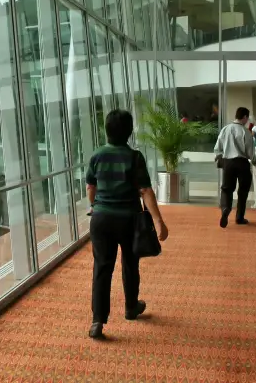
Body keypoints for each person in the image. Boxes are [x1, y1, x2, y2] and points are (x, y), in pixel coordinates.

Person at [86, 109, 168, 340]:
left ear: (107, 130)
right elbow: (145, 190)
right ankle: (131, 307)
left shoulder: (97, 155)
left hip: (101, 219)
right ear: (129, 132)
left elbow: (90, 188)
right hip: (128, 219)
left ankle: (98, 321)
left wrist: (96, 206)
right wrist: (158, 221)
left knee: (102, 268)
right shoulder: (135, 157)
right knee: (130, 264)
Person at [213, 107, 255, 229]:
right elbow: (250, 153)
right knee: (243, 191)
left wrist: (219, 157)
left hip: (228, 162)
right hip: (242, 163)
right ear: (245, 117)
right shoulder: (246, 132)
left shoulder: (225, 129)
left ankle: (225, 209)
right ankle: (239, 217)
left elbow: (217, 148)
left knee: (226, 188)